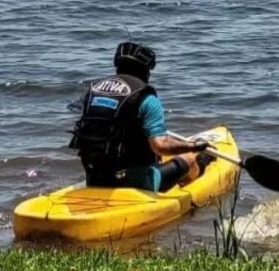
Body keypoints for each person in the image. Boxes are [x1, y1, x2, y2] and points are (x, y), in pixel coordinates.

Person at [69, 42, 214, 192]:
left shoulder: (92, 91)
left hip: (95, 177)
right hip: (136, 183)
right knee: (190, 159)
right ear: (146, 71)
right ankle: (191, 202)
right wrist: (194, 146)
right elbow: (160, 146)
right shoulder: (148, 99)